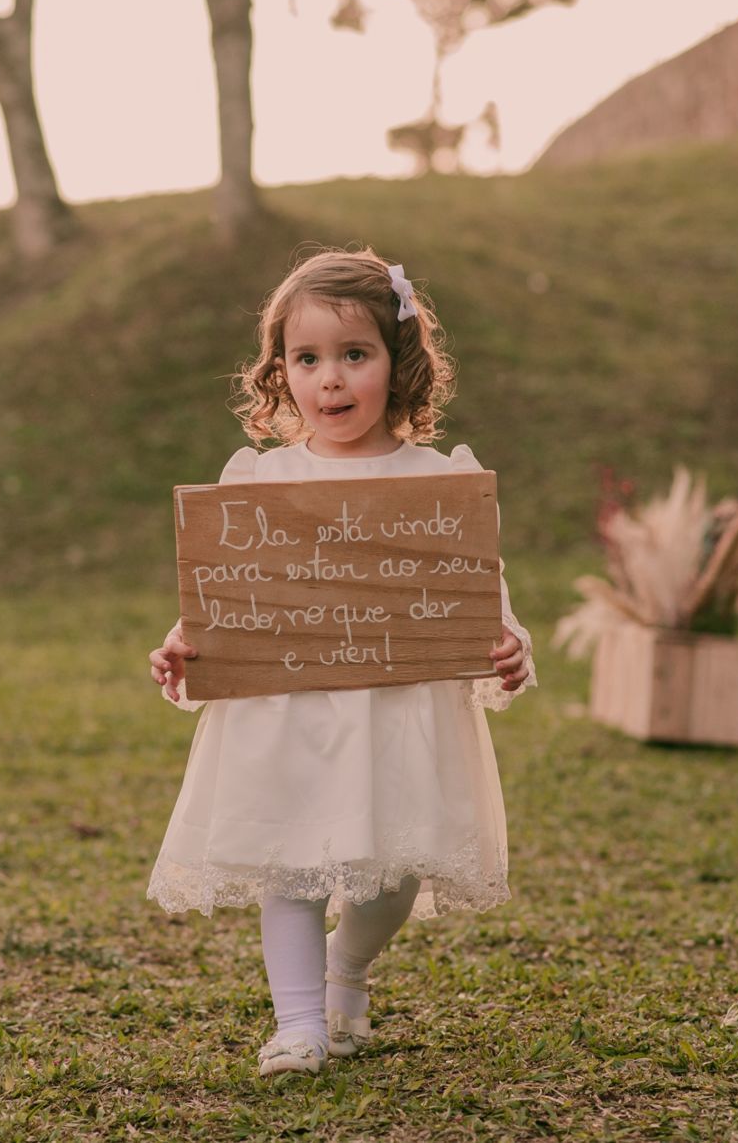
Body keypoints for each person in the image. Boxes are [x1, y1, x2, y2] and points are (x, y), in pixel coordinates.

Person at [145, 249, 535, 1077]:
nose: (330, 379)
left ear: (398, 366)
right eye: (307, 358)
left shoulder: (435, 480)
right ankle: (298, 1025)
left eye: (354, 355)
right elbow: (235, 586)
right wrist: (187, 642)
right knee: (291, 866)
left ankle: (345, 968)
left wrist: (509, 644)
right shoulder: (263, 480)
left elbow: (474, 582)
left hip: (395, 714)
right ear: (280, 372)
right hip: (288, 709)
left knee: (391, 876)